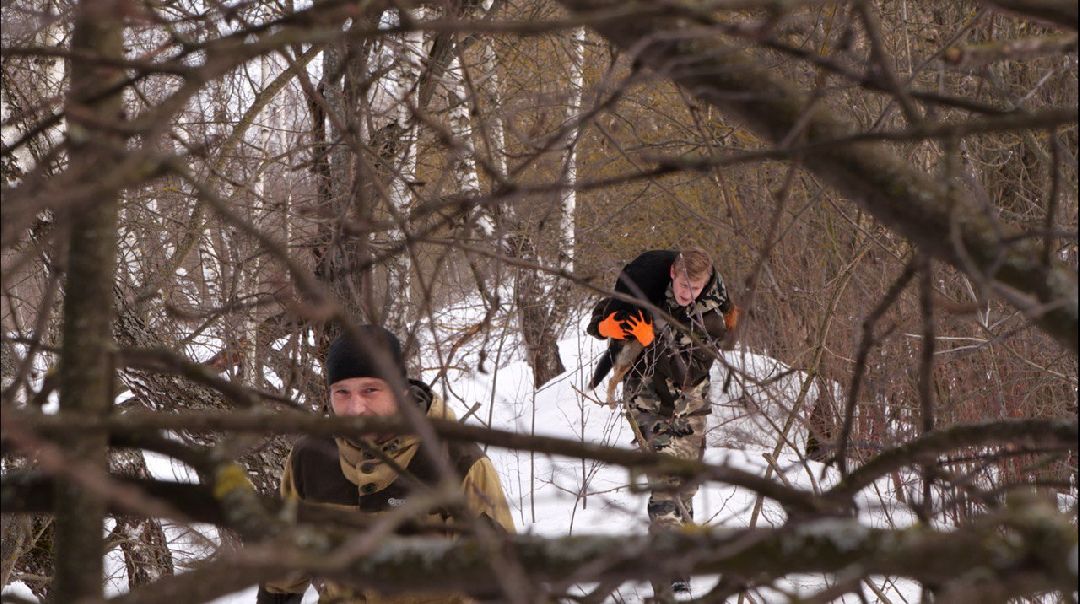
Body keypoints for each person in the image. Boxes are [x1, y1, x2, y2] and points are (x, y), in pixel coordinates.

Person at [257, 325, 515, 604]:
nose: (355, 408)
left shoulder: (456, 460)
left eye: (370, 390)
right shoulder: (310, 458)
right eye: (342, 392)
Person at [586, 248, 738, 596]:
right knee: (665, 485)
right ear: (673, 273)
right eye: (684, 286)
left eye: (695, 289)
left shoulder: (712, 318)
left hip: (690, 405)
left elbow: (687, 375)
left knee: (686, 486)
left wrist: (651, 339)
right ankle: (670, 578)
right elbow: (603, 315)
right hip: (646, 401)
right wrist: (605, 326)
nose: (688, 295)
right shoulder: (649, 287)